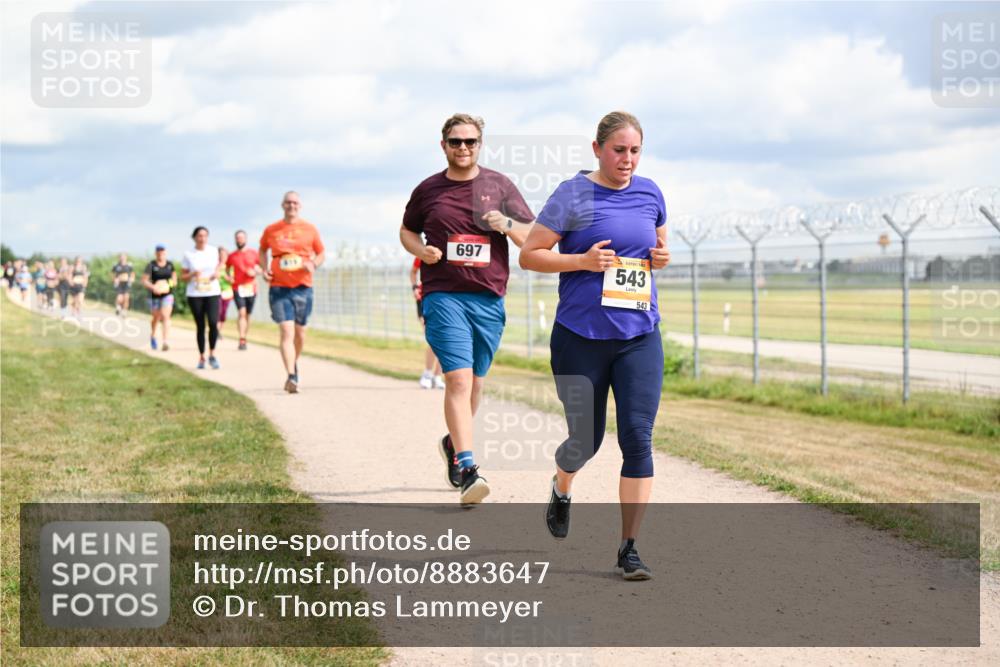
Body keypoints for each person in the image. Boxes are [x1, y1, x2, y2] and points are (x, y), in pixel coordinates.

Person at [519, 111, 671, 580]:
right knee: (585, 440)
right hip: (580, 338)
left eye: (634, 150)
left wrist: (661, 258)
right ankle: (563, 484)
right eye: (618, 150)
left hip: (639, 336)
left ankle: (629, 548)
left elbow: (658, 244)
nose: (627, 159)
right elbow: (529, 255)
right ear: (597, 149)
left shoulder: (651, 193)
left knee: (637, 438)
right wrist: (582, 261)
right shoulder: (572, 195)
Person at [399, 113, 535, 505]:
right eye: (456, 142)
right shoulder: (429, 190)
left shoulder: (499, 185)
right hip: (443, 295)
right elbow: (407, 229)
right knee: (457, 381)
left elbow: (534, 236)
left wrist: (506, 223)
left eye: (470, 142)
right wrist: (420, 249)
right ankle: (469, 470)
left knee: (475, 384)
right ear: (443, 145)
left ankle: (453, 443)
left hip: (488, 298)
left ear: (480, 144)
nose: (463, 148)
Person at [259, 191, 325, 393]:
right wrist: (264, 269)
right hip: (279, 287)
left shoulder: (310, 229)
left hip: (303, 286)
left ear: (300, 206)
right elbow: (262, 250)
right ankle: (291, 376)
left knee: (300, 334)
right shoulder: (272, 229)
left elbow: (321, 252)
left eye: (295, 202)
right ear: (282, 205)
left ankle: (293, 364)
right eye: (288, 202)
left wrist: (313, 263)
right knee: (286, 331)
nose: (291, 205)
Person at [182, 227, 224, 369]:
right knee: (200, 326)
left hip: (212, 291)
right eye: (199, 236)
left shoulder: (213, 251)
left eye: (205, 235)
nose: (202, 238)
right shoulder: (188, 254)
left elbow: (221, 264)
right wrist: (193, 274)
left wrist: (217, 273)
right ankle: (201, 357)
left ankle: (212, 354)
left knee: (213, 323)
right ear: (194, 237)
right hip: (195, 293)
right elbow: (183, 277)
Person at [410, 257, 444, 389]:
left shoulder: (451, 251)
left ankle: (437, 376)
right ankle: (428, 374)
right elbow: (413, 272)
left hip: (445, 298)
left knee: (445, 338)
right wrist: (414, 287)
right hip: (425, 297)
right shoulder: (425, 252)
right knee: (434, 337)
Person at [227, 230, 259, 350]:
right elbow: (226, 269)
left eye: (241, 238)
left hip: (251, 288)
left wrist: (255, 272)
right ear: (235, 240)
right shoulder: (232, 256)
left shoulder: (253, 253)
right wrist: (229, 277)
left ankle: (244, 336)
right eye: (237, 238)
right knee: (242, 313)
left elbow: (261, 268)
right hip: (237, 287)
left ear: (245, 239)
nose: (239, 240)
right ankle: (241, 339)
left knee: (248, 315)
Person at [142, 244, 176, 351]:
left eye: (162, 251)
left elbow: (174, 281)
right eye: (158, 251)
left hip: (167, 295)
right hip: (153, 296)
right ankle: (153, 335)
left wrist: (166, 286)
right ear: (156, 253)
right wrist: (154, 287)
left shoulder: (170, 265)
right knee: (156, 317)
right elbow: (144, 281)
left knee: (166, 316)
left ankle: (165, 342)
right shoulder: (151, 265)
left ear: (165, 252)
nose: (161, 253)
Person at [217, 246, 233, 339]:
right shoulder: (215, 266)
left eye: (224, 254)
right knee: (217, 312)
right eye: (221, 254)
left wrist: (227, 278)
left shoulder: (230, 267)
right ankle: (216, 330)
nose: (222, 256)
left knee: (223, 313)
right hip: (216, 292)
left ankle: (219, 331)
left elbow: (233, 280)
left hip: (227, 292)